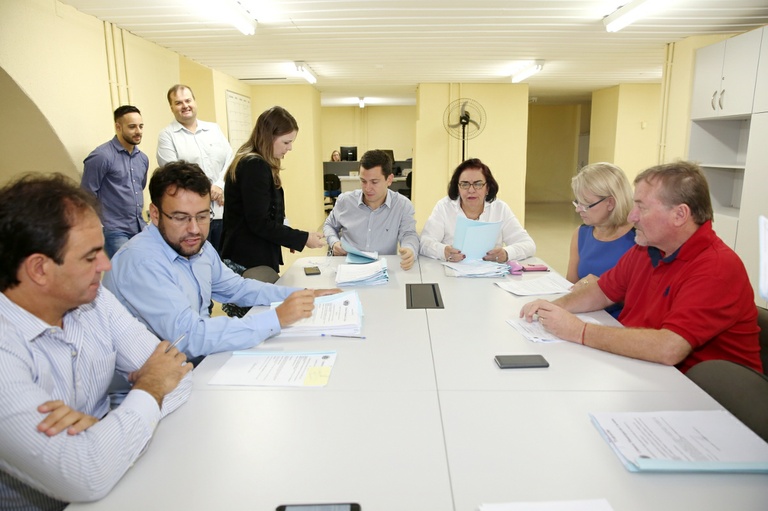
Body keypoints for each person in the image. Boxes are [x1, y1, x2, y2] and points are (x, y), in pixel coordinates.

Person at [0, 174, 192, 511]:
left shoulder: (93, 299)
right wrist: (148, 389)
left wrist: (104, 430)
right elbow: (85, 475)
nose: (106, 264)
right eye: (90, 257)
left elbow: (178, 375)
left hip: (119, 486)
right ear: (39, 269)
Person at [520, 161, 762, 374]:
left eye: (642, 208)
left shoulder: (716, 268)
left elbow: (669, 348)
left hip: (705, 393)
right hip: (647, 370)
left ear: (680, 215)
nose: (632, 216)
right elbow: (602, 292)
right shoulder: (646, 249)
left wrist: (579, 331)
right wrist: (553, 308)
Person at [104, 161, 338, 359]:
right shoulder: (141, 262)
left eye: (202, 216)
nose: (194, 229)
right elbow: (189, 337)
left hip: (193, 362)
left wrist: (301, 295)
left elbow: (237, 288)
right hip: (148, 384)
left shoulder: (198, 247)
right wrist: (276, 318)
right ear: (155, 214)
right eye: (181, 218)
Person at [220, 106, 325, 276]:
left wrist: (287, 236)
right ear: (268, 137)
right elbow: (259, 222)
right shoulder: (255, 166)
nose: (290, 148)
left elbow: (267, 211)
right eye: (286, 142)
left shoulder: (254, 163)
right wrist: (302, 238)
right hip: (248, 259)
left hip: (248, 256)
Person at [157, 84, 232, 252]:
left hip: (223, 213)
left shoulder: (213, 129)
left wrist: (220, 185)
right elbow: (174, 174)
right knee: (199, 261)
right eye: (178, 103)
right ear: (171, 107)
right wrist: (207, 190)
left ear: (195, 102)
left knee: (225, 262)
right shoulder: (167, 136)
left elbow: (230, 160)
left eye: (188, 100)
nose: (185, 106)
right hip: (193, 220)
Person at [420, 158, 535, 263]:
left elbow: (528, 244)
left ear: (487, 188)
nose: (471, 190)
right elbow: (425, 242)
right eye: (465, 184)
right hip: (452, 270)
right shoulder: (444, 207)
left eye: (478, 184)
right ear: (458, 188)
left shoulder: (500, 209)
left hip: (491, 272)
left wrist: (506, 253)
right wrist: (443, 251)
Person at [324, 149, 419, 270]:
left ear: (389, 180)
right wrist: (334, 242)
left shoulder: (402, 205)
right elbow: (329, 225)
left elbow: (409, 234)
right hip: (349, 268)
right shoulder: (345, 201)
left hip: (382, 269)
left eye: (374, 182)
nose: (367, 188)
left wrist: (410, 249)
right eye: (363, 181)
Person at [566, 162, 635, 318]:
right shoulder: (581, 234)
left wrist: (603, 288)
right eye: (577, 202)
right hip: (585, 316)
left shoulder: (639, 240)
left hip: (621, 323)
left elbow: (646, 300)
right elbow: (571, 287)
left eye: (585, 204)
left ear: (610, 203)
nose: (578, 209)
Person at [81, 105, 149, 258]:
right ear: (118, 127)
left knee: (145, 267)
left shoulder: (143, 159)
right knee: (125, 269)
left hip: (139, 227)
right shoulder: (101, 156)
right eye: (132, 127)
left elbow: (140, 187)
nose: (138, 131)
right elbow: (86, 194)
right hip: (114, 230)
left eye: (141, 126)